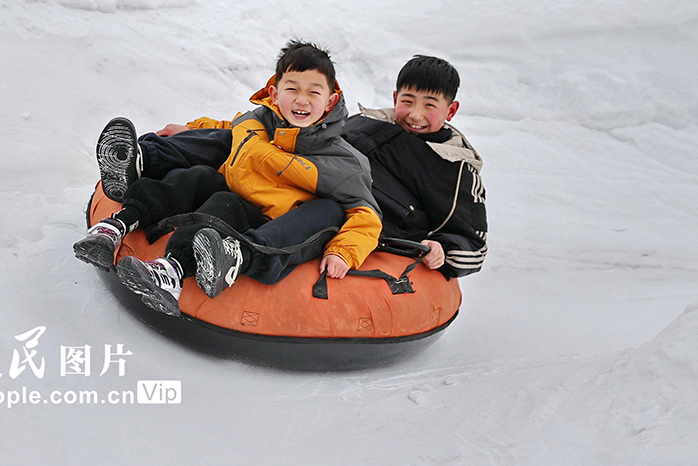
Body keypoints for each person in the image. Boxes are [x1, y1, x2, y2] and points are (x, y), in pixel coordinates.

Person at [74, 40, 382, 314]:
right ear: (275, 93)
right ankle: (121, 225)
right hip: (236, 201)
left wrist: (344, 252)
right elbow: (226, 126)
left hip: (274, 227)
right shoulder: (259, 120)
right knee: (202, 179)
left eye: (313, 92)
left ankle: (211, 262)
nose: (302, 100)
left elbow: (366, 214)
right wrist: (190, 128)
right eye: (292, 89)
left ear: (330, 100)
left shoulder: (344, 161)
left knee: (323, 210)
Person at [341, 55, 488, 278]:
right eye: (407, 101)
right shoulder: (362, 124)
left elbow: (474, 244)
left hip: (382, 243)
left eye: (429, 105)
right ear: (395, 97)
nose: (415, 114)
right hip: (324, 209)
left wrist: (443, 248)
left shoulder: (456, 170)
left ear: (451, 110)